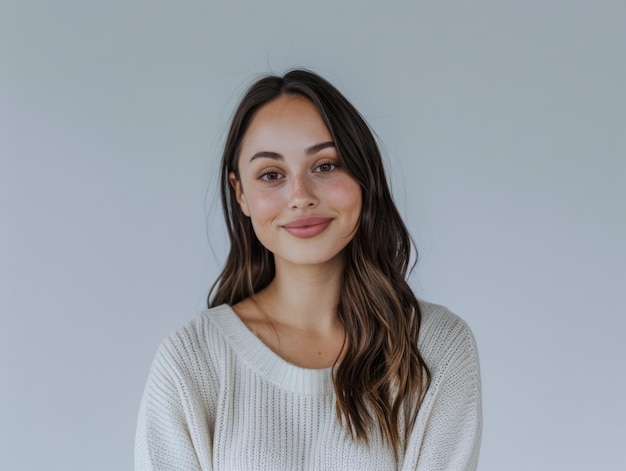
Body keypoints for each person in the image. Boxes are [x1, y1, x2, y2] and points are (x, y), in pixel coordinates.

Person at [135, 69, 482, 470]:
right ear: (241, 193)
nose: (300, 197)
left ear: (363, 175)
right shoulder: (192, 361)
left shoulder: (436, 349)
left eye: (326, 166)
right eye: (271, 175)